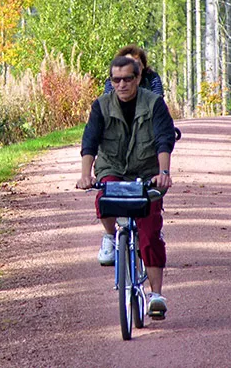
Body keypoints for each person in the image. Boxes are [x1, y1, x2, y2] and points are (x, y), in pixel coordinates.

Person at [78, 55, 176, 319]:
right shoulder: (101, 105)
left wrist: (163, 173)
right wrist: (85, 175)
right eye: (116, 79)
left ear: (138, 79)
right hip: (113, 167)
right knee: (104, 196)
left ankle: (156, 295)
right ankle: (111, 236)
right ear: (111, 81)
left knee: (150, 232)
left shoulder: (154, 104)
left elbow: (164, 140)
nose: (121, 85)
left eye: (127, 79)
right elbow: (89, 141)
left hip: (146, 172)